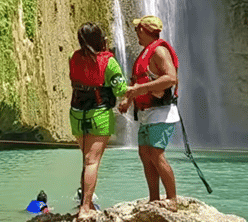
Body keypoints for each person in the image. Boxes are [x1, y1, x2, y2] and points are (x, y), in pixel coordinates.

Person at [118, 15, 179, 211]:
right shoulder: (144, 53)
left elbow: (171, 78)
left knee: (156, 154)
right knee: (145, 154)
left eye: (138, 29)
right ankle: (154, 198)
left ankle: (172, 199)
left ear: (144, 30)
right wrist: (128, 99)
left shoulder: (159, 51)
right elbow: (137, 82)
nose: (136, 33)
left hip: (161, 112)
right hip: (146, 113)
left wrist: (140, 90)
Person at [69, 22, 128, 219]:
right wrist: (133, 91)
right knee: (92, 162)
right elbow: (120, 89)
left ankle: (85, 204)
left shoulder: (75, 58)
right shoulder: (108, 62)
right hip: (99, 115)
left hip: (77, 114)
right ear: (100, 40)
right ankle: (86, 207)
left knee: (86, 160)